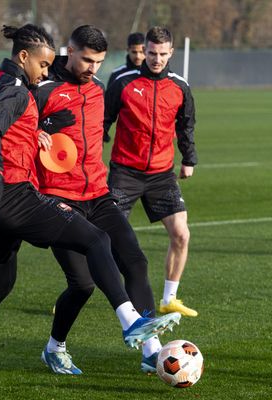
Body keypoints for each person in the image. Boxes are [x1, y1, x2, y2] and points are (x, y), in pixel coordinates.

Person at [0, 24, 180, 385]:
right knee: (91, 257)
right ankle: (123, 325)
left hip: (53, 195)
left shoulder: (11, 85)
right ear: (31, 57)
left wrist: (30, 138)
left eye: (98, 61)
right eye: (44, 64)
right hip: (25, 195)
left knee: (1, 286)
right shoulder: (22, 89)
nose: (46, 71)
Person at [32, 25, 163, 374]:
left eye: (99, 62)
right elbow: (15, 135)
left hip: (98, 195)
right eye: (87, 60)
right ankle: (54, 347)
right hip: (59, 199)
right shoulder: (43, 89)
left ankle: (152, 350)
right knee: (82, 285)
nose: (93, 68)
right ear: (69, 51)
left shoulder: (98, 88)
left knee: (135, 262)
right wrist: (38, 132)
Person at [104, 26, 198, 317]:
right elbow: (102, 122)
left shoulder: (180, 86)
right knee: (102, 237)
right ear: (144, 50)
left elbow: (185, 125)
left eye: (162, 54)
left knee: (181, 234)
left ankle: (169, 298)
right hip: (124, 173)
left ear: (171, 53)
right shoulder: (122, 82)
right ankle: (76, 289)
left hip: (161, 175)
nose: (156, 59)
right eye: (152, 53)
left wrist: (189, 159)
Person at [104, 32, 145, 142]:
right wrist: (104, 130)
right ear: (127, 50)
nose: (138, 56)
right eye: (134, 52)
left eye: (141, 52)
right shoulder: (117, 75)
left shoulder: (153, 74)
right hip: (126, 133)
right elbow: (108, 106)